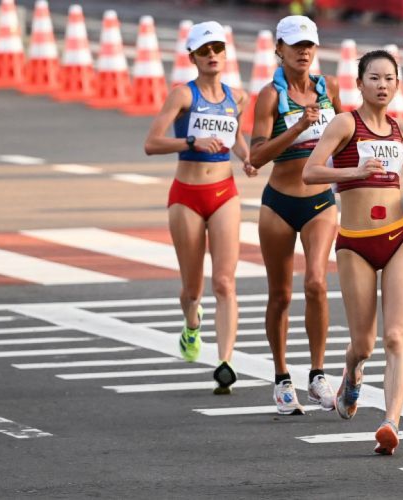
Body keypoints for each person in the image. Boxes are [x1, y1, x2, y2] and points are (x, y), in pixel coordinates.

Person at [303, 49, 403, 455]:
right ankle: (352, 372)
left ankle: (391, 422)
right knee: (365, 343)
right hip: (354, 242)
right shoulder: (343, 124)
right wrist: (352, 172)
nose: (382, 85)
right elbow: (310, 171)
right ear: (360, 83)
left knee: (395, 336)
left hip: (397, 238)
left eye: (389, 78)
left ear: (398, 84)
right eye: (374, 78)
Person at [144, 21, 256, 395]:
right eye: (204, 51)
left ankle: (224, 361)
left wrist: (246, 157)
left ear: (225, 54)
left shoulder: (237, 97)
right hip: (187, 196)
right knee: (192, 288)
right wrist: (190, 139)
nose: (212, 56)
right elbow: (152, 143)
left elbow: (235, 133)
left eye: (217, 49)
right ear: (192, 57)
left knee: (224, 281)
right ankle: (192, 325)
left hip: (224, 192)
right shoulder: (182, 96)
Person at [249, 15, 342, 415]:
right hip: (279, 202)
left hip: (320, 201)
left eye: (309, 45)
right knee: (281, 294)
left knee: (317, 284)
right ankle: (282, 377)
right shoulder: (271, 96)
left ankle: (318, 374)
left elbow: (347, 135)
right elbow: (256, 155)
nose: (303, 52)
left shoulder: (328, 89)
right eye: (295, 45)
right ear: (279, 50)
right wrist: (297, 128)